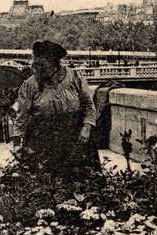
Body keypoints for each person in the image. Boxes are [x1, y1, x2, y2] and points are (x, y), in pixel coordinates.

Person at [13, 40, 100, 180]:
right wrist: (17, 144)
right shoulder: (30, 85)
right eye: (36, 65)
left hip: (75, 137)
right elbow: (21, 117)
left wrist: (87, 128)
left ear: (54, 64)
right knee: (47, 180)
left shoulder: (75, 78)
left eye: (43, 66)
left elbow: (89, 106)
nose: (38, 70)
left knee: (81, 179)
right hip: (44, 139)